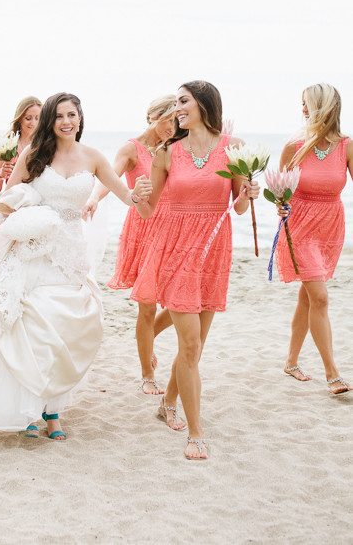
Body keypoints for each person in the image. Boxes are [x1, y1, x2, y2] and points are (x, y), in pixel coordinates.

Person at [0, 92, 151, 440]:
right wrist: (29, 206)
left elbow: (130, 199)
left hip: (71, 253)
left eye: (72, 115)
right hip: (36, 251)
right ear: (50, 120)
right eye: (60, 116)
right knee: (34, 328)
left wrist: (140, 192)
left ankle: (53, 411)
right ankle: (30, 412)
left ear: (80, 118)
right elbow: (7, 202)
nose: (67, 122)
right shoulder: (33, 154)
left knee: (65, 331)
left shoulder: (94, 157)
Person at [132, 81, 259, 459]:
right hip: (177, 251)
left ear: (204, 105)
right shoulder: (167, 153)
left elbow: (237, 208)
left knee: (196, 346)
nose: (176, 109)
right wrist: (138, 196)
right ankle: (196, 431)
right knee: (189, 343)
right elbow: (147, 209)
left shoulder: (234, 149)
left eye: (183, 102)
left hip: (214, 252)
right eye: (176, 103)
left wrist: (248, 194)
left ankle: (168, 402)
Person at [87, 95, 176, 394]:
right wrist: (93, 199)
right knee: (147, 308)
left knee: (178, 302)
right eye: (169, 119)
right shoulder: (131, 148)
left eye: (178, 120)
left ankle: (146, 338)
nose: (173, 126)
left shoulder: (175, 147)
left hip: (173, 229)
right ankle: (147, 375)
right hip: (144, 227)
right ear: (153, 116)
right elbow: (109, 178)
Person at [276, 83, 352, 394]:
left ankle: (291, 362)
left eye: (308, 104)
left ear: (324, 108)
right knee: (320, 297)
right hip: (300, 227)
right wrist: (279, 206)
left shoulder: (347, 146)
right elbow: (278, 192)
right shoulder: (294, 146)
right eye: (302, 104)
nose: (303, 110)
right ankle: (332, 373)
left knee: (307, 297)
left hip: (330, 227)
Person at [0, 96, 42, 188]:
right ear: (19, 119)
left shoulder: (45, 145)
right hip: (15, 200)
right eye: (28, 118)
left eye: (37, 118)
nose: (33, 123)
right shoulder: (5, 148)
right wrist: (1, 175)